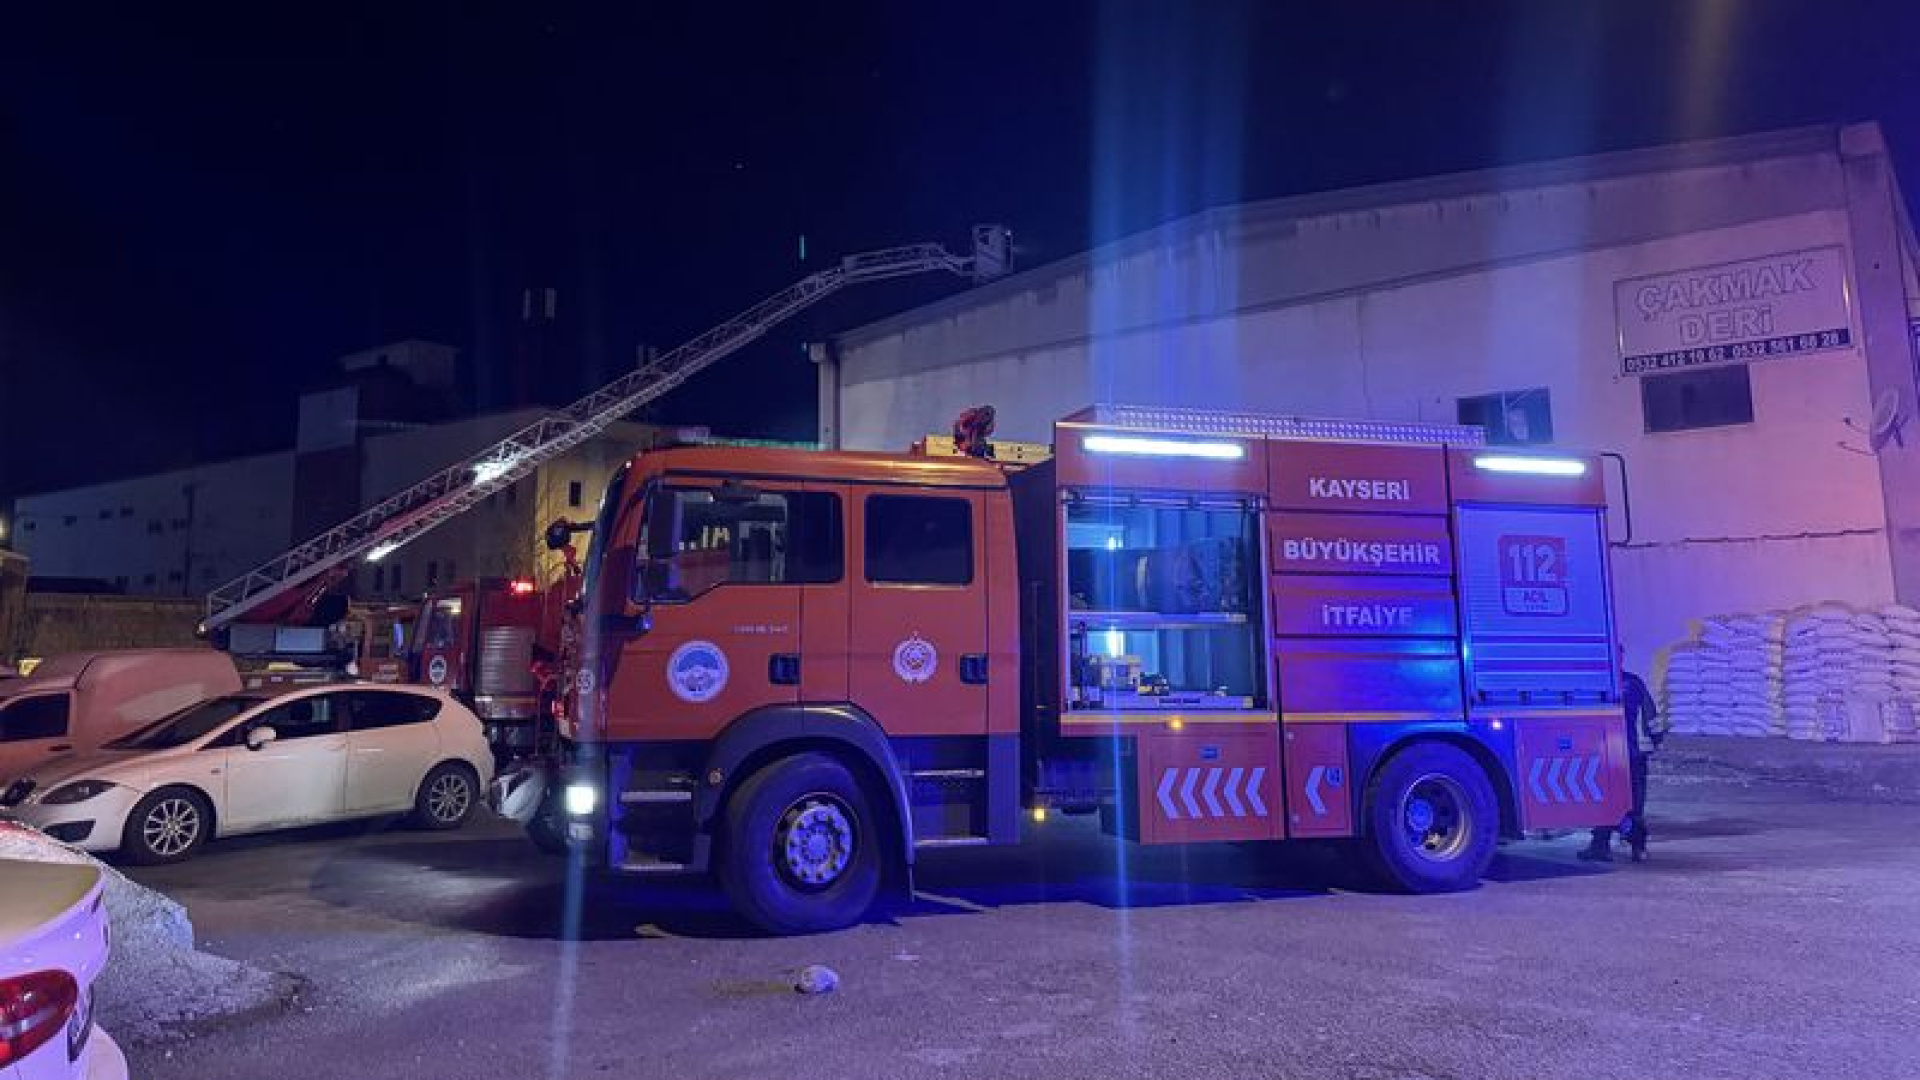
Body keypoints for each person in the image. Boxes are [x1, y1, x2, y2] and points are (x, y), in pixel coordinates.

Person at [1579, 645, 1667, 863]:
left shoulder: (1597, 683)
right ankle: (1633, 847)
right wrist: (1656, 740)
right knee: (1629, 803)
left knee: (1609, 801)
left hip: (1611, 756)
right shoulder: (1633, 683)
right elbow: (1650, 714)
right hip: (1630, 755)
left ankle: (1605, 845)